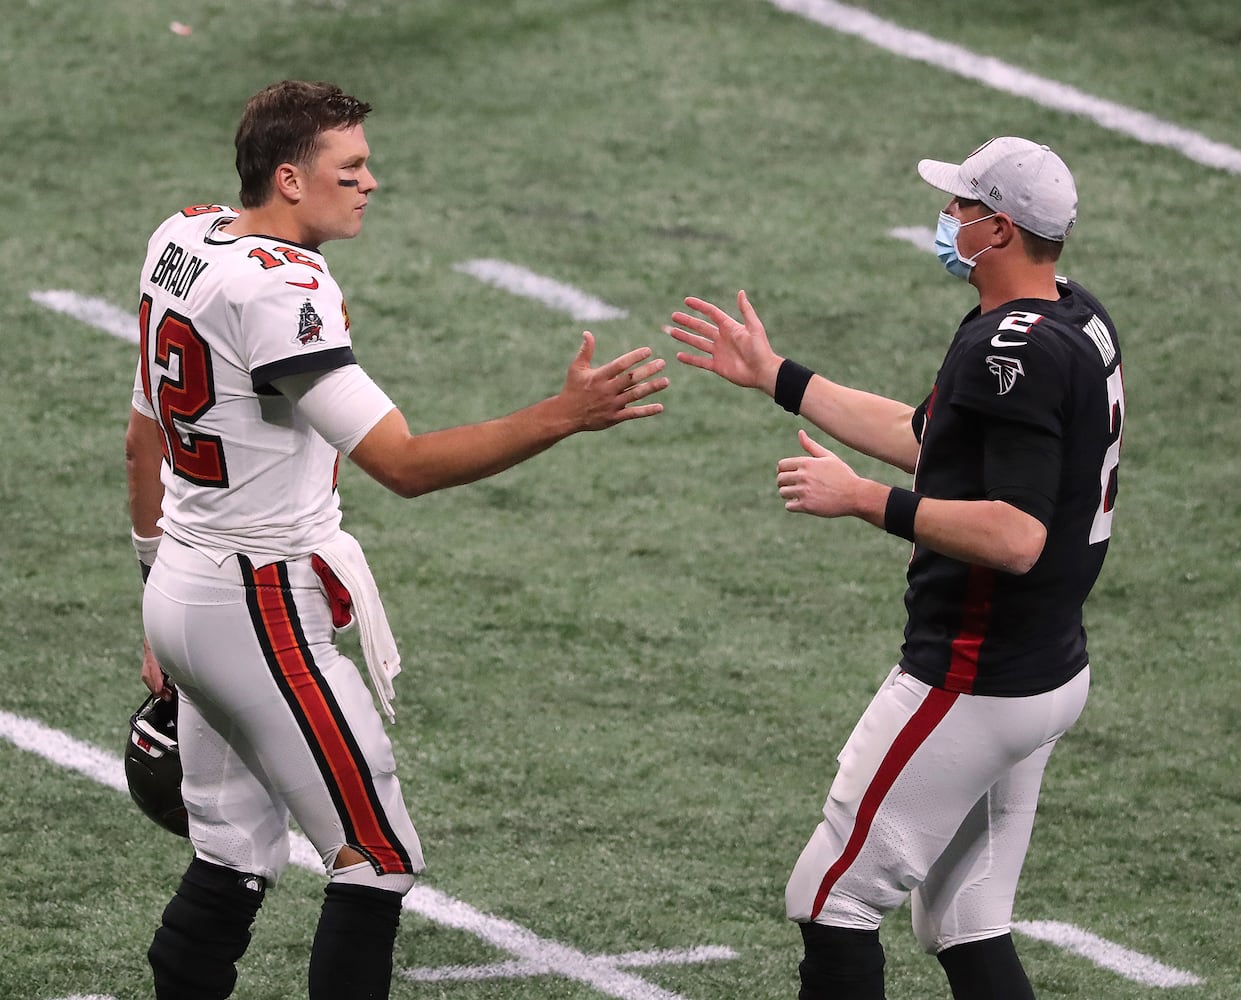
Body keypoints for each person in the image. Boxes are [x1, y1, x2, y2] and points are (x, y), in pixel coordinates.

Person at [125, 79, 668, 1000]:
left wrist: (152, 591)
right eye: (351, 167)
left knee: (232, 849)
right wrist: (562, 415)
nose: (370, 182)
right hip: (256, 597)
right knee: (375, 857)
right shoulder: (280, 286)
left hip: (182, 576)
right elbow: (405, 464)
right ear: (289, 178)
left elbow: (142, 437)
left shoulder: (182, 236)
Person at [667, 137, 1123, 999]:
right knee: (962, 919)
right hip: (1046, 667)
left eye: (962, 206)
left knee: (830, 899)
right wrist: (777, 377)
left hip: (974, 674)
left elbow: (1015, 535)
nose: (946, 218)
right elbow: (931, 440)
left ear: (1000, 228)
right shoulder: (1069, 313)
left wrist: (863, 500)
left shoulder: (1010, 351)